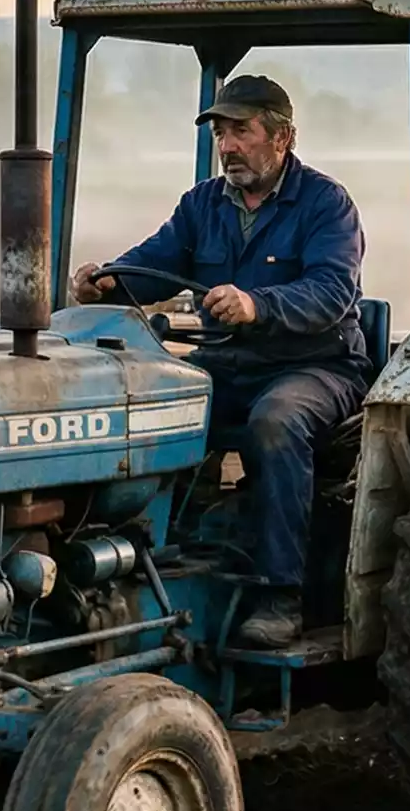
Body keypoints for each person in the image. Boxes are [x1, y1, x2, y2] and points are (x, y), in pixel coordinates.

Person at [72, 75, 367, 648]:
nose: (227, 146)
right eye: (220, 134)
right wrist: (106, 280)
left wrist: (258, 304)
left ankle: (280, 595)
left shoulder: (325, 204)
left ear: (282, 138)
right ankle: (148, 556)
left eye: (241, 131)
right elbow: (154, 262)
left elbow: (332, 292)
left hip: (316, 366)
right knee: (154, 401)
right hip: (228, 363)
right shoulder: (202, 203)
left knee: (276, 422)